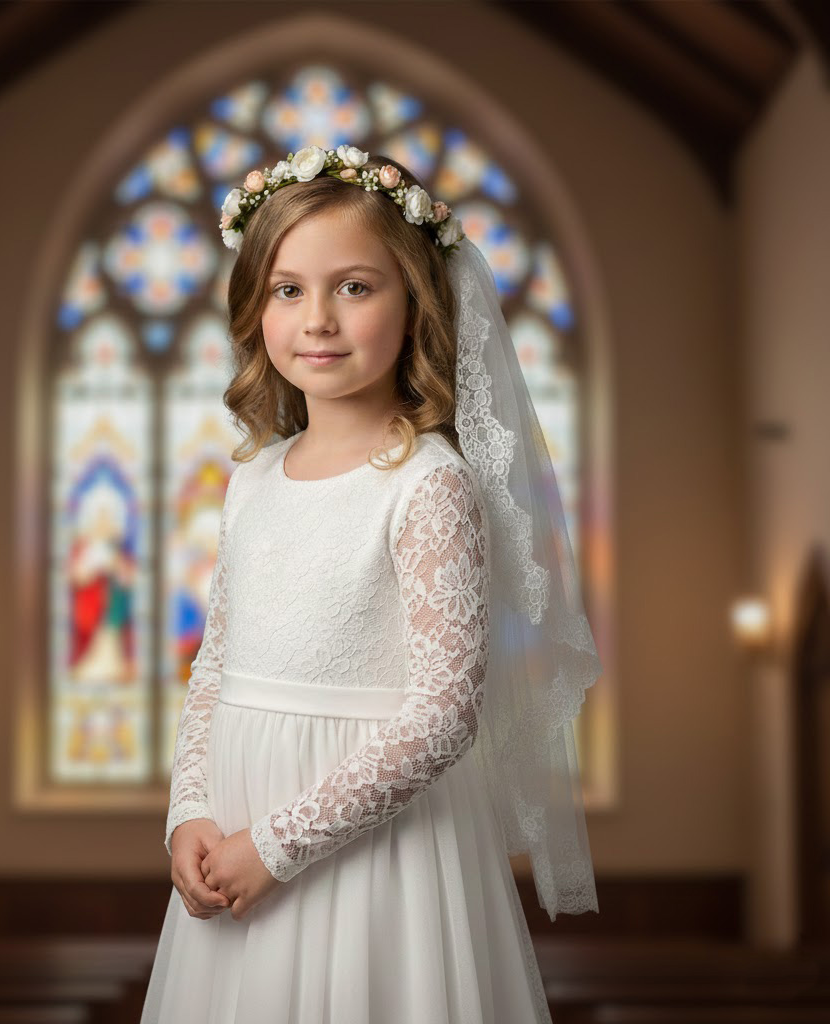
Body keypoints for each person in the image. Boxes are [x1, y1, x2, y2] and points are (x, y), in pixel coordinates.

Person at [141, 144, 602, 1024]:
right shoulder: (253, 482)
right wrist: (191, 812)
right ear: (255, 309)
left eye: (354, 286)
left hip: (372, 848)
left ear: (415, 302)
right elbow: (215, 665)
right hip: (233, 831)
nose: (318, 318)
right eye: (288, 290)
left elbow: (442, 714)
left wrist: (276, 846)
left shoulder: (427, 483)